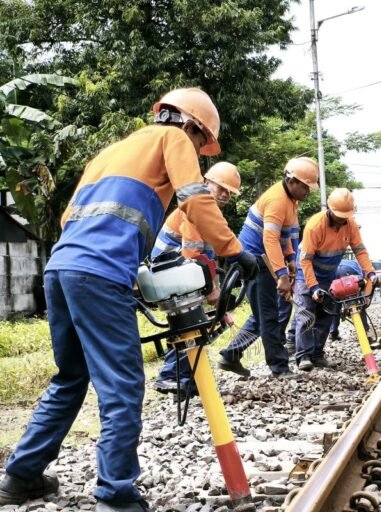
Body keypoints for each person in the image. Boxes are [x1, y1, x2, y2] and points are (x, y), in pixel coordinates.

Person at [0, 88, 257, 512]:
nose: (198, 151)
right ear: (191, 125)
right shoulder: (173, 138)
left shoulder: (113, 151)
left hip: (61, 269)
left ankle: (20, 477)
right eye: (201, 142)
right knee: (122, 386)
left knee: (70, 377)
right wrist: (234, 250)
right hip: (100, 274)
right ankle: (116, 496)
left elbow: (68, 218)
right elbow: (194, 198)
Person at [218, 157, 318, 379]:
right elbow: (270, 239)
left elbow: (286, 234)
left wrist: (290, 258)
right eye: (305, 186)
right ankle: (279, 367)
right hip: (254, 260)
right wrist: (282, 275)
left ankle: (231, 355)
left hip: (263, 258)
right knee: (270, 315)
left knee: (262, 313)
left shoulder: (291, 201)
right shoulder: (277, 200)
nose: (307, 191)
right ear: (292, 181)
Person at [151, 162, 241, 399]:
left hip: (182, 272)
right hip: (170, 272)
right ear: (206, 182)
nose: (225, 194)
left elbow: (210, 259)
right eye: (221, 188)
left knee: (203, 325)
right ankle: (171, 376)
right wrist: (211, 291)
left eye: (229, 192)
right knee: (191, 325)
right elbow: (191, 254)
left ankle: (186, 380)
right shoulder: (193, 209)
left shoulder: (211, 214)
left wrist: (217, 294)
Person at [294, 188, 376, 371]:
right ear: (330, 209)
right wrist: (313, 287)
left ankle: (317, 354)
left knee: (326, 314)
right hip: (306, 272)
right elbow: (305, 260)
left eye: (345, 216)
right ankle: (304, 356)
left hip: (328, 275)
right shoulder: (315, 225)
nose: (341, 219)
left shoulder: (350, 225)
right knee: (306, 312)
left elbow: (360, 251)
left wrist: (370, 272)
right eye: (339, 216)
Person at [328, 258, 371, 341]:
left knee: (335, 306)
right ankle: (365, 330)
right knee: (360, 304)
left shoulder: (338, 261)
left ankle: (333, 333)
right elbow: (364, 281)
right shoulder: (357, 264)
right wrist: (365, 297)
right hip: (352, 273)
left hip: (335, 273)